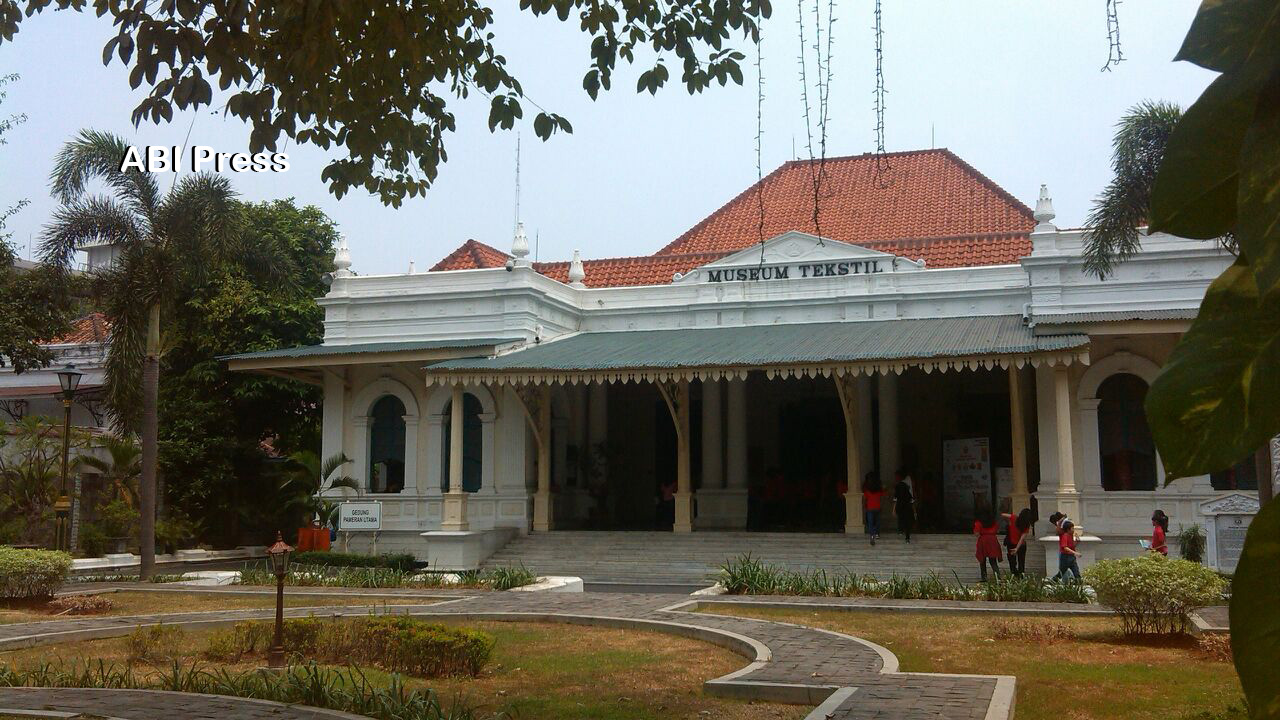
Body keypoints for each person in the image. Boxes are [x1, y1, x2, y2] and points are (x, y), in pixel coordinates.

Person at [1002, 508, 1034, 576]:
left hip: (1011, 543)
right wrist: (1017, 548)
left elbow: (1003, 514)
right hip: (1021, 545)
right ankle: (1021, 575)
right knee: (1021, 561)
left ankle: (1014, 573)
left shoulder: (1014, 518)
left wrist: (1008, 522)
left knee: (1012, 561)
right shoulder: (1026, 525)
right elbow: (1021, 539)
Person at [973, 507, 1002, 581]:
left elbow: (976, 533)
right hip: (993, 540)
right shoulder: (994, 522)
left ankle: (984, 577)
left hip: (983, 540)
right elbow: (997, 530)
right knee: (993, 561)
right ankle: (997, 577)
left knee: (982, 560)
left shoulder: (978, 523)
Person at [862, 472, 885, 546]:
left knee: (870, 522)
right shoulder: (879, 489)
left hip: (870, 507)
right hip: (877, 507)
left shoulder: (867, 490)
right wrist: (881, 505)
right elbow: (882, 498)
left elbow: (865, 499)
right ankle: (877, 533)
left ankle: (872, 535)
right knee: (877, 521)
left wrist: (864, 506)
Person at [893, 469, 915, 543]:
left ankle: (900, 530)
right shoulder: (907, 492)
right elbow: (912, 500)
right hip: (907, 507)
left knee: (901, 519)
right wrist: (914, 510)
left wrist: (893, 509)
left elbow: (895, 499)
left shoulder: (898, 489)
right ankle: (907, 537)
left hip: (900, 507)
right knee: (907, 521)